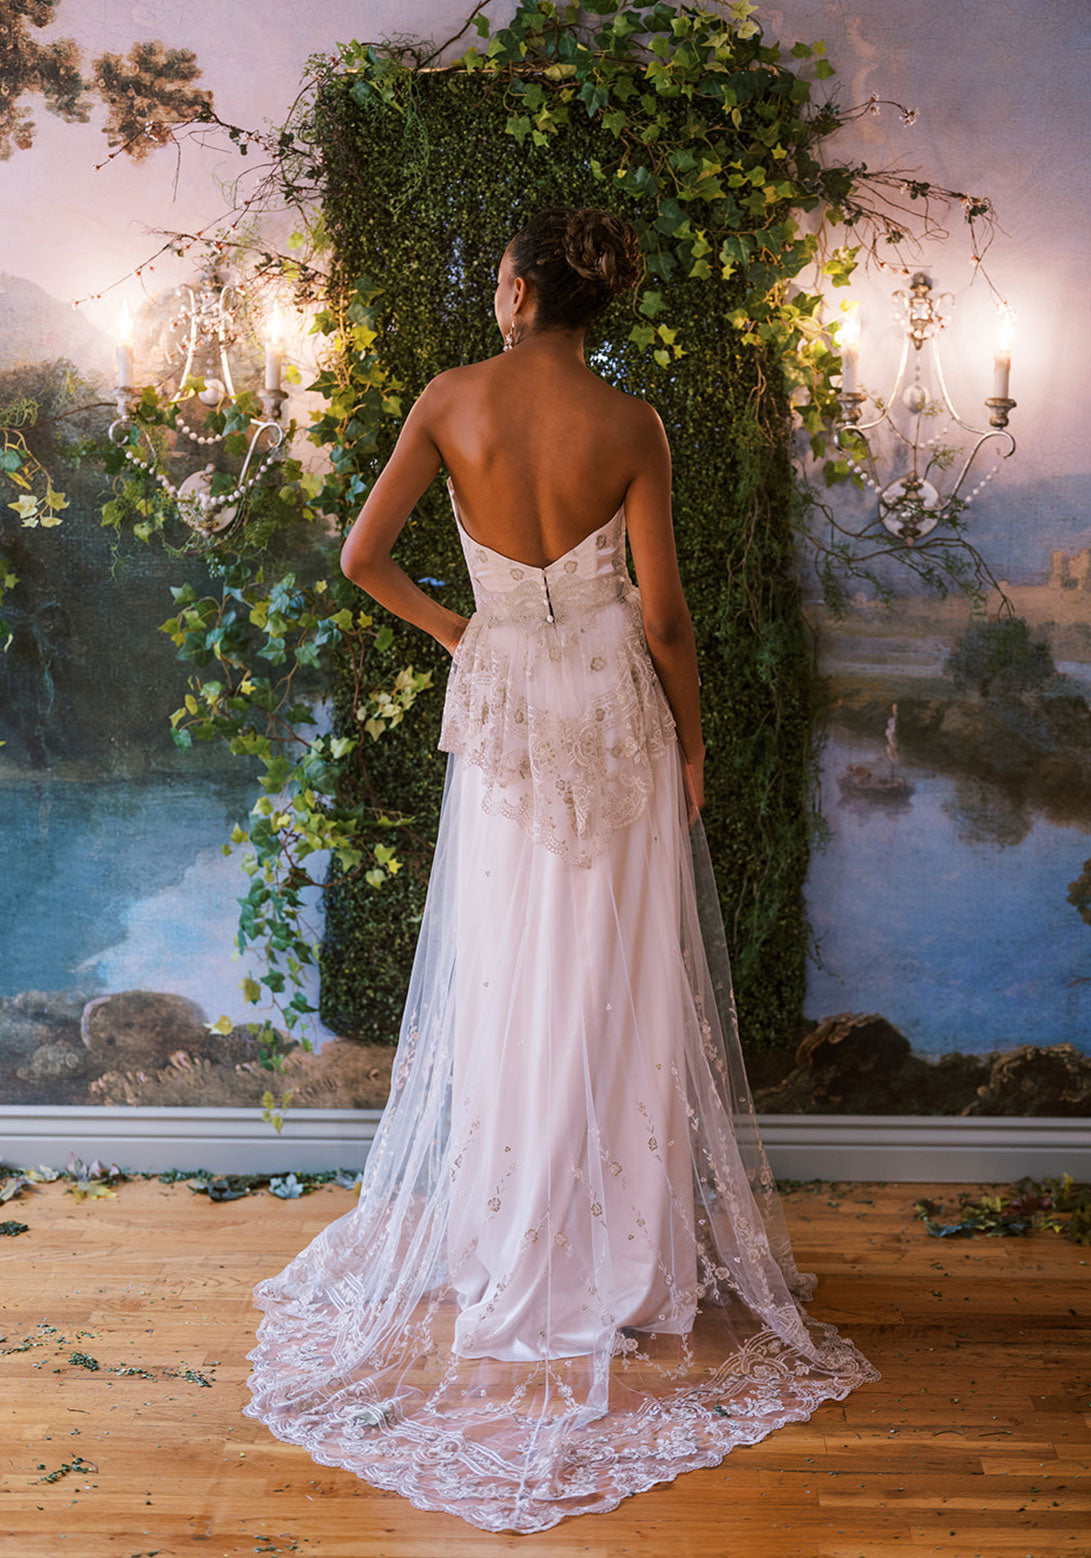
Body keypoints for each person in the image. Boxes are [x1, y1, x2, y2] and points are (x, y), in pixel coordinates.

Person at [242, 206, 881, 1534]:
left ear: (518, 289)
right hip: (612, 717)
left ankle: (504, 1238)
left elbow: (364, 558)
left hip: (508, 714)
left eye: (496, 275)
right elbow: (661, 615)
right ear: (590, 302)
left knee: (512, 978)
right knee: (614, 981)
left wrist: (463, 630)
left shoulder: (448, 400)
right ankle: (617, 1261)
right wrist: (695, 748)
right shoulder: (633, 428)